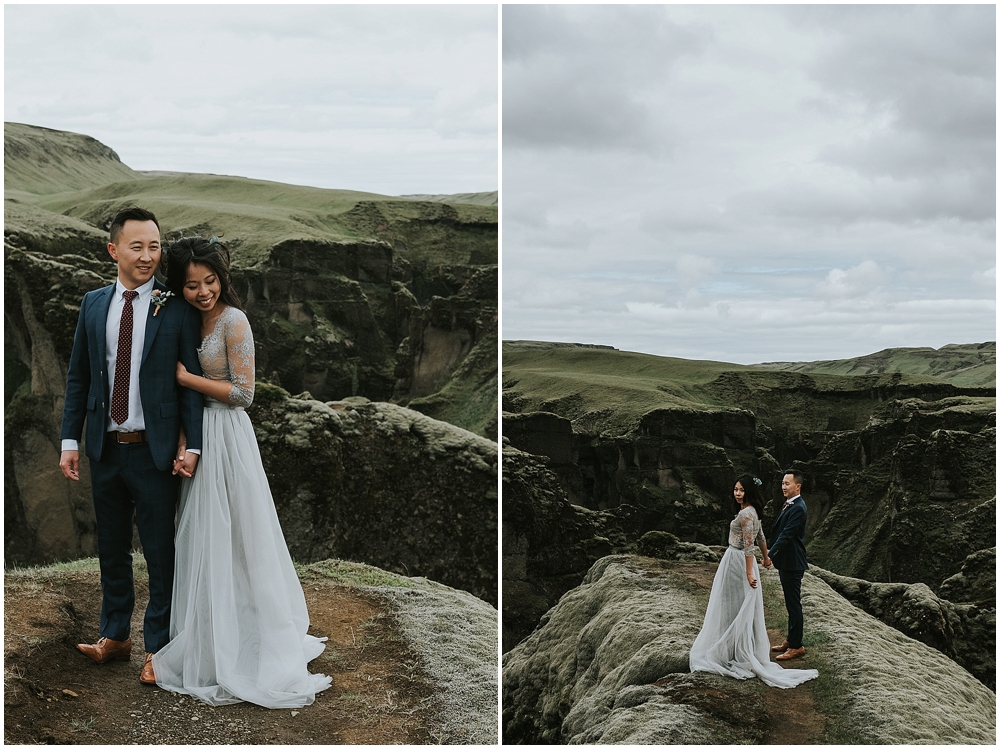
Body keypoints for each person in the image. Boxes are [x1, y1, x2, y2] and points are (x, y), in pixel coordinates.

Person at [151, 235, 332, 707]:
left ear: (222, 279)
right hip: (198, 436)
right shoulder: (187, 317)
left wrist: (185, 376)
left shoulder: (234, 321)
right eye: (191, 284)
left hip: (229, 436)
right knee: (207, 538)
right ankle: (210, 638)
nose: (203, 291)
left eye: (210, 281)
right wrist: (186, 440)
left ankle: (252, 639)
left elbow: (245, 392)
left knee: (239, 534)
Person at [60, 207, 204, 684]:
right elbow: (80, 375)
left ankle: (158, 651)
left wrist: (193, 446)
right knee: (112, 548)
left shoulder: (176, 306)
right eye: (137, 246)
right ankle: (115, 636)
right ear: (114, 250)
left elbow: (191, 385)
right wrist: (70, 439)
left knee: (162, 555)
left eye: (155, 246)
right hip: (105, 447)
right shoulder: (93, 303)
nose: (147, 256)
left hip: (155, 452)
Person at [689, 474, 818, 688]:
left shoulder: (748, 514)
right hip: (737, 560)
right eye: (735, 489)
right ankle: (740, 644)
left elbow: (751, 544)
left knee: (733, 603)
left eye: (741, 490)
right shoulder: (752, 512)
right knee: (734, 604)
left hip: (737, 561)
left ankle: (741, 647)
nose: (737, 493)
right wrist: (767, 557)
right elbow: (762, 538)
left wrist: (751, 571)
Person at [768, 469, 810, 661]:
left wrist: (770, 554)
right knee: (790, 603)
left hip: (793, 562)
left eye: (787, 484)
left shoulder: (799, 507)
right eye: (782, 483)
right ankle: (790, 639)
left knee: (794, 605)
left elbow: (787, 535)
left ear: (797, 486)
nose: (783, 487)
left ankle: (796, 646)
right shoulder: (790, 504)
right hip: (787, 562)